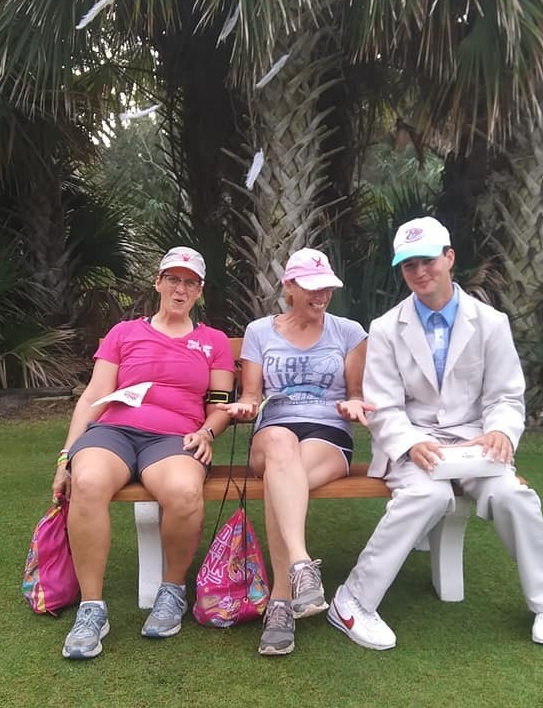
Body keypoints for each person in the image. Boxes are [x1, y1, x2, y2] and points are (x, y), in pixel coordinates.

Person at [327, 217, 543, 650]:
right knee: (428, 495)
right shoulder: (385, 328)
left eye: (428, 261)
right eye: (409, 265)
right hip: (414, 442)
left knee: (512, 495)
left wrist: (500, 432)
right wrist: (410, 443)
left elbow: (505, 395)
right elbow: (383, 405)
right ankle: (353, 601)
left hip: (475, 443)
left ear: (449, 258)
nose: (420, 272)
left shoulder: (491, 322)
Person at [52, 247, 235, 660]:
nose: (180, 289)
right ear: (158, 282)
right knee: (87, 480)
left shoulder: (214, 342)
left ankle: (172, 590)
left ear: (200, 291)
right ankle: (92, 608)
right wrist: (66, 455)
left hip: (175, 438)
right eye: (173, 279)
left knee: (185, 491)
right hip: (114, 431)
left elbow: (221, 404)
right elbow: (94, 396)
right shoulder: (124, 333)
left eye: (189, 282)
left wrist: (207, 431)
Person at [222, 248, 372, 656]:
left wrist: (354, 405)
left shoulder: (348, 332)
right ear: (289, 287)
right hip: (274, 428)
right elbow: (252, 395)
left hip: (327, 431)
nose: (321, 296)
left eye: (327, 288)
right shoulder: (259, 332)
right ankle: (301, 564)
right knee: (280, 445)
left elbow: (356, 393)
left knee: (281, 481)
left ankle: (280, 602)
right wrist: (244, 407)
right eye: (311, 287)